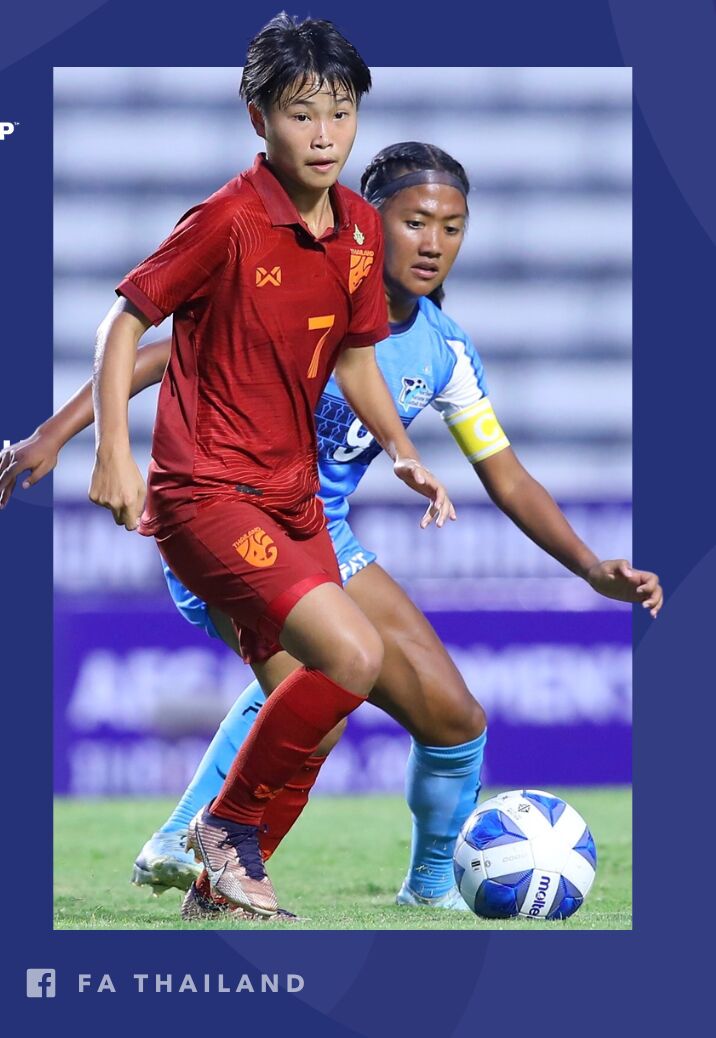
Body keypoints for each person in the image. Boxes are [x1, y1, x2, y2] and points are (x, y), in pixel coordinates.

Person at [2, 142, 662, 920]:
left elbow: (507, 476)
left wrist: (588, 568)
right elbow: (157, 356)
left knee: (456, 723)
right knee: (322, 687)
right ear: (368, 219)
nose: (433, 243)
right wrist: (55, 434)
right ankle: (190, 841)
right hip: (227, 515)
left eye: (453, 227)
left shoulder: (444, 351)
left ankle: (427, 890)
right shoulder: (299, 282)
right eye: (414, 222)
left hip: (323, 537)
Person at [87, 17, 458, 918]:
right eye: (302, 114)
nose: (325, 134)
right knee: (354, 654)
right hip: (205, 493)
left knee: (313, 702)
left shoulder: (362, 231)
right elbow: (125, 324)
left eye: (340, 112)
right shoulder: (228, 219)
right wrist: (110, 451)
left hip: (290, 497)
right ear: (259, 119)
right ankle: (218, 831)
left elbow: (358, 359)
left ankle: (220, 891)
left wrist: (404, 451)